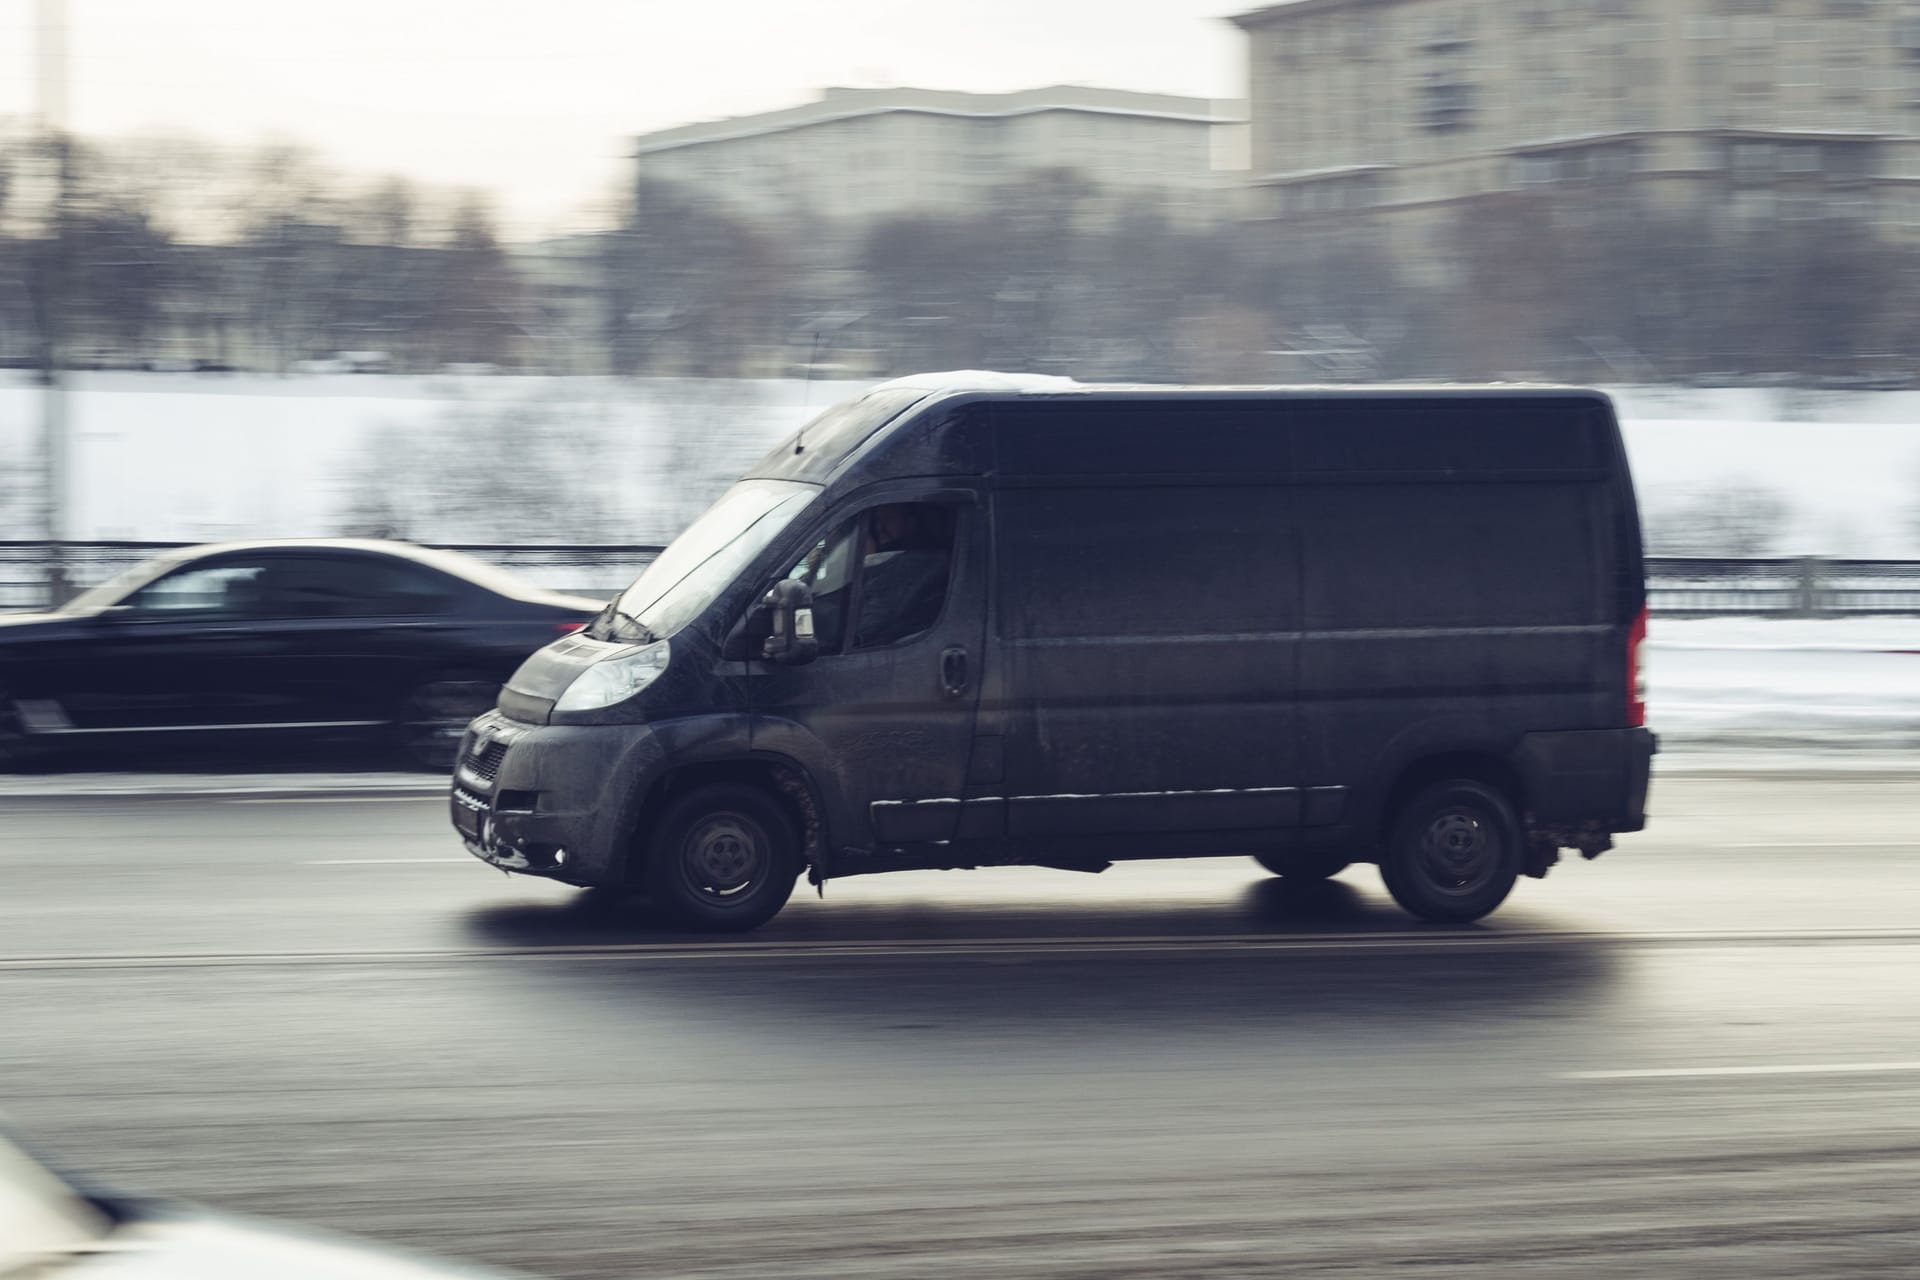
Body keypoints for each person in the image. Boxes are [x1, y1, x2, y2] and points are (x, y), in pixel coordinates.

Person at [853, 504, 952, 648]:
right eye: (877, 520)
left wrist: (869, 564)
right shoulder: (890, 560)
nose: (880, 526)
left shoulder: (915, 565)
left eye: (889, 519)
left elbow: (872, 623)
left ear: (911, 523)